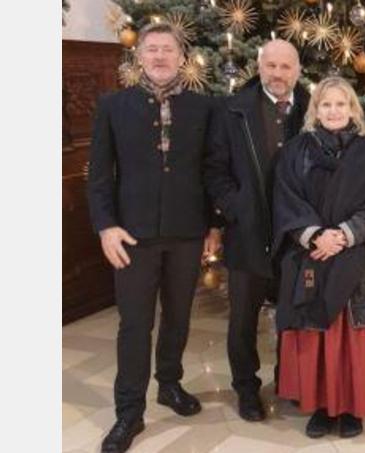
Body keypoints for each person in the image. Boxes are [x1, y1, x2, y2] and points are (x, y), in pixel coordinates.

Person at [86, 23, 221, 453]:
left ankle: (170, 384)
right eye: (152, 50)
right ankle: (129, 411)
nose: (160, 56)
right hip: (132, 235)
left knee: (179, 317)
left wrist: (214, 225)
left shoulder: (204, 108)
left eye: (168, 49)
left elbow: (212, 171)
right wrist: (106, 226)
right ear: (139, 57)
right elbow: (100, 176)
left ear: (182, 57)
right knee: (135, 325)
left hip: (186, 232)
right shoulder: (113, 106)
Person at [271, 77, 365, 438]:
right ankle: (323, 408)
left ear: (352, 109)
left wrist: (344, 234)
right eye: (325, 104)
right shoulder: (296, 150)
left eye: (340, 104)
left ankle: (353, 408)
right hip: (311, 254)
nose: (333, 111)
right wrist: (315, 235)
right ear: (315, 110)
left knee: (352, 338)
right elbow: (286, 200)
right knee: (317, 335)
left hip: (357, 256)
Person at [204, 38, 309, 422]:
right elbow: (214, 170)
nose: (278, 74)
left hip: (294, 236)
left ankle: (289, 381)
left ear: (297, 70)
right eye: (271, 66)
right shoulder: (233, 110)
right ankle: (246, 389)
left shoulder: (315, 108)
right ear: (259, 67)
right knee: (243, 320)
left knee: (292, 317)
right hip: (247, 233)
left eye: (286, 67)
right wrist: (237, 209)